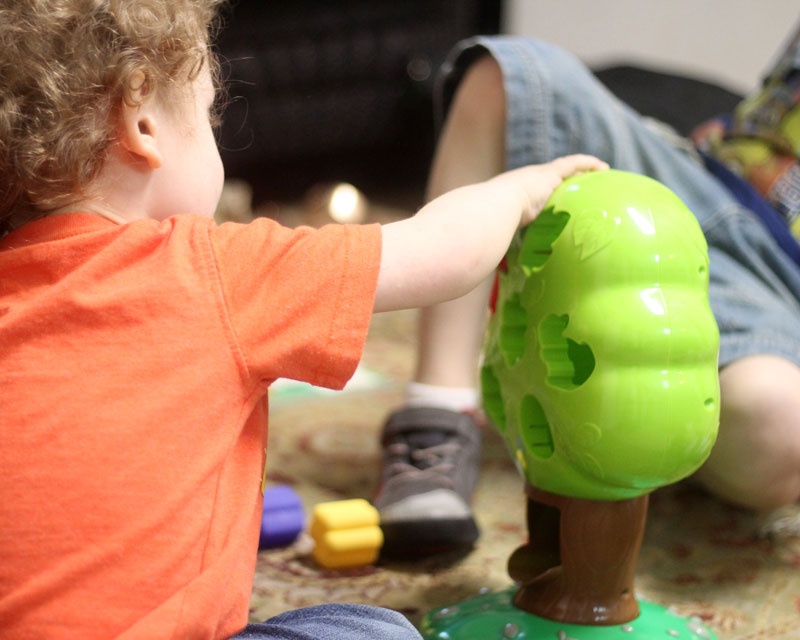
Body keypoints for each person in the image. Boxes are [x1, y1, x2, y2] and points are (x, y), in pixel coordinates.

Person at [0, 2, 607, 639]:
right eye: (209, 116)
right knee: (373, 630)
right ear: (143, 119)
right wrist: (518, 191)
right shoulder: (212, 270)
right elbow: (439, 254)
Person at [372, 33, 800, 558]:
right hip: (708, 179)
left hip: (785, 293)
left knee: (777, 427)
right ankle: (437, 415)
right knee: (511, 74)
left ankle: (636, 438)